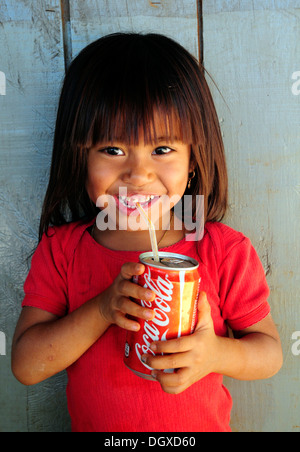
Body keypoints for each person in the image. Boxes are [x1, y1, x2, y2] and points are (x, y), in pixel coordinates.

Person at [11, 33, 282, 432]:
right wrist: (103, 309)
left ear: (192, 161)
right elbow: (27, 366)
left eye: (162, 150)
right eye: (113, 150)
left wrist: (214, 355)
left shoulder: (224, 250)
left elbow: (270, 354)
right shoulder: (62, 251)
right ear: (81, 158)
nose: (138, 175)